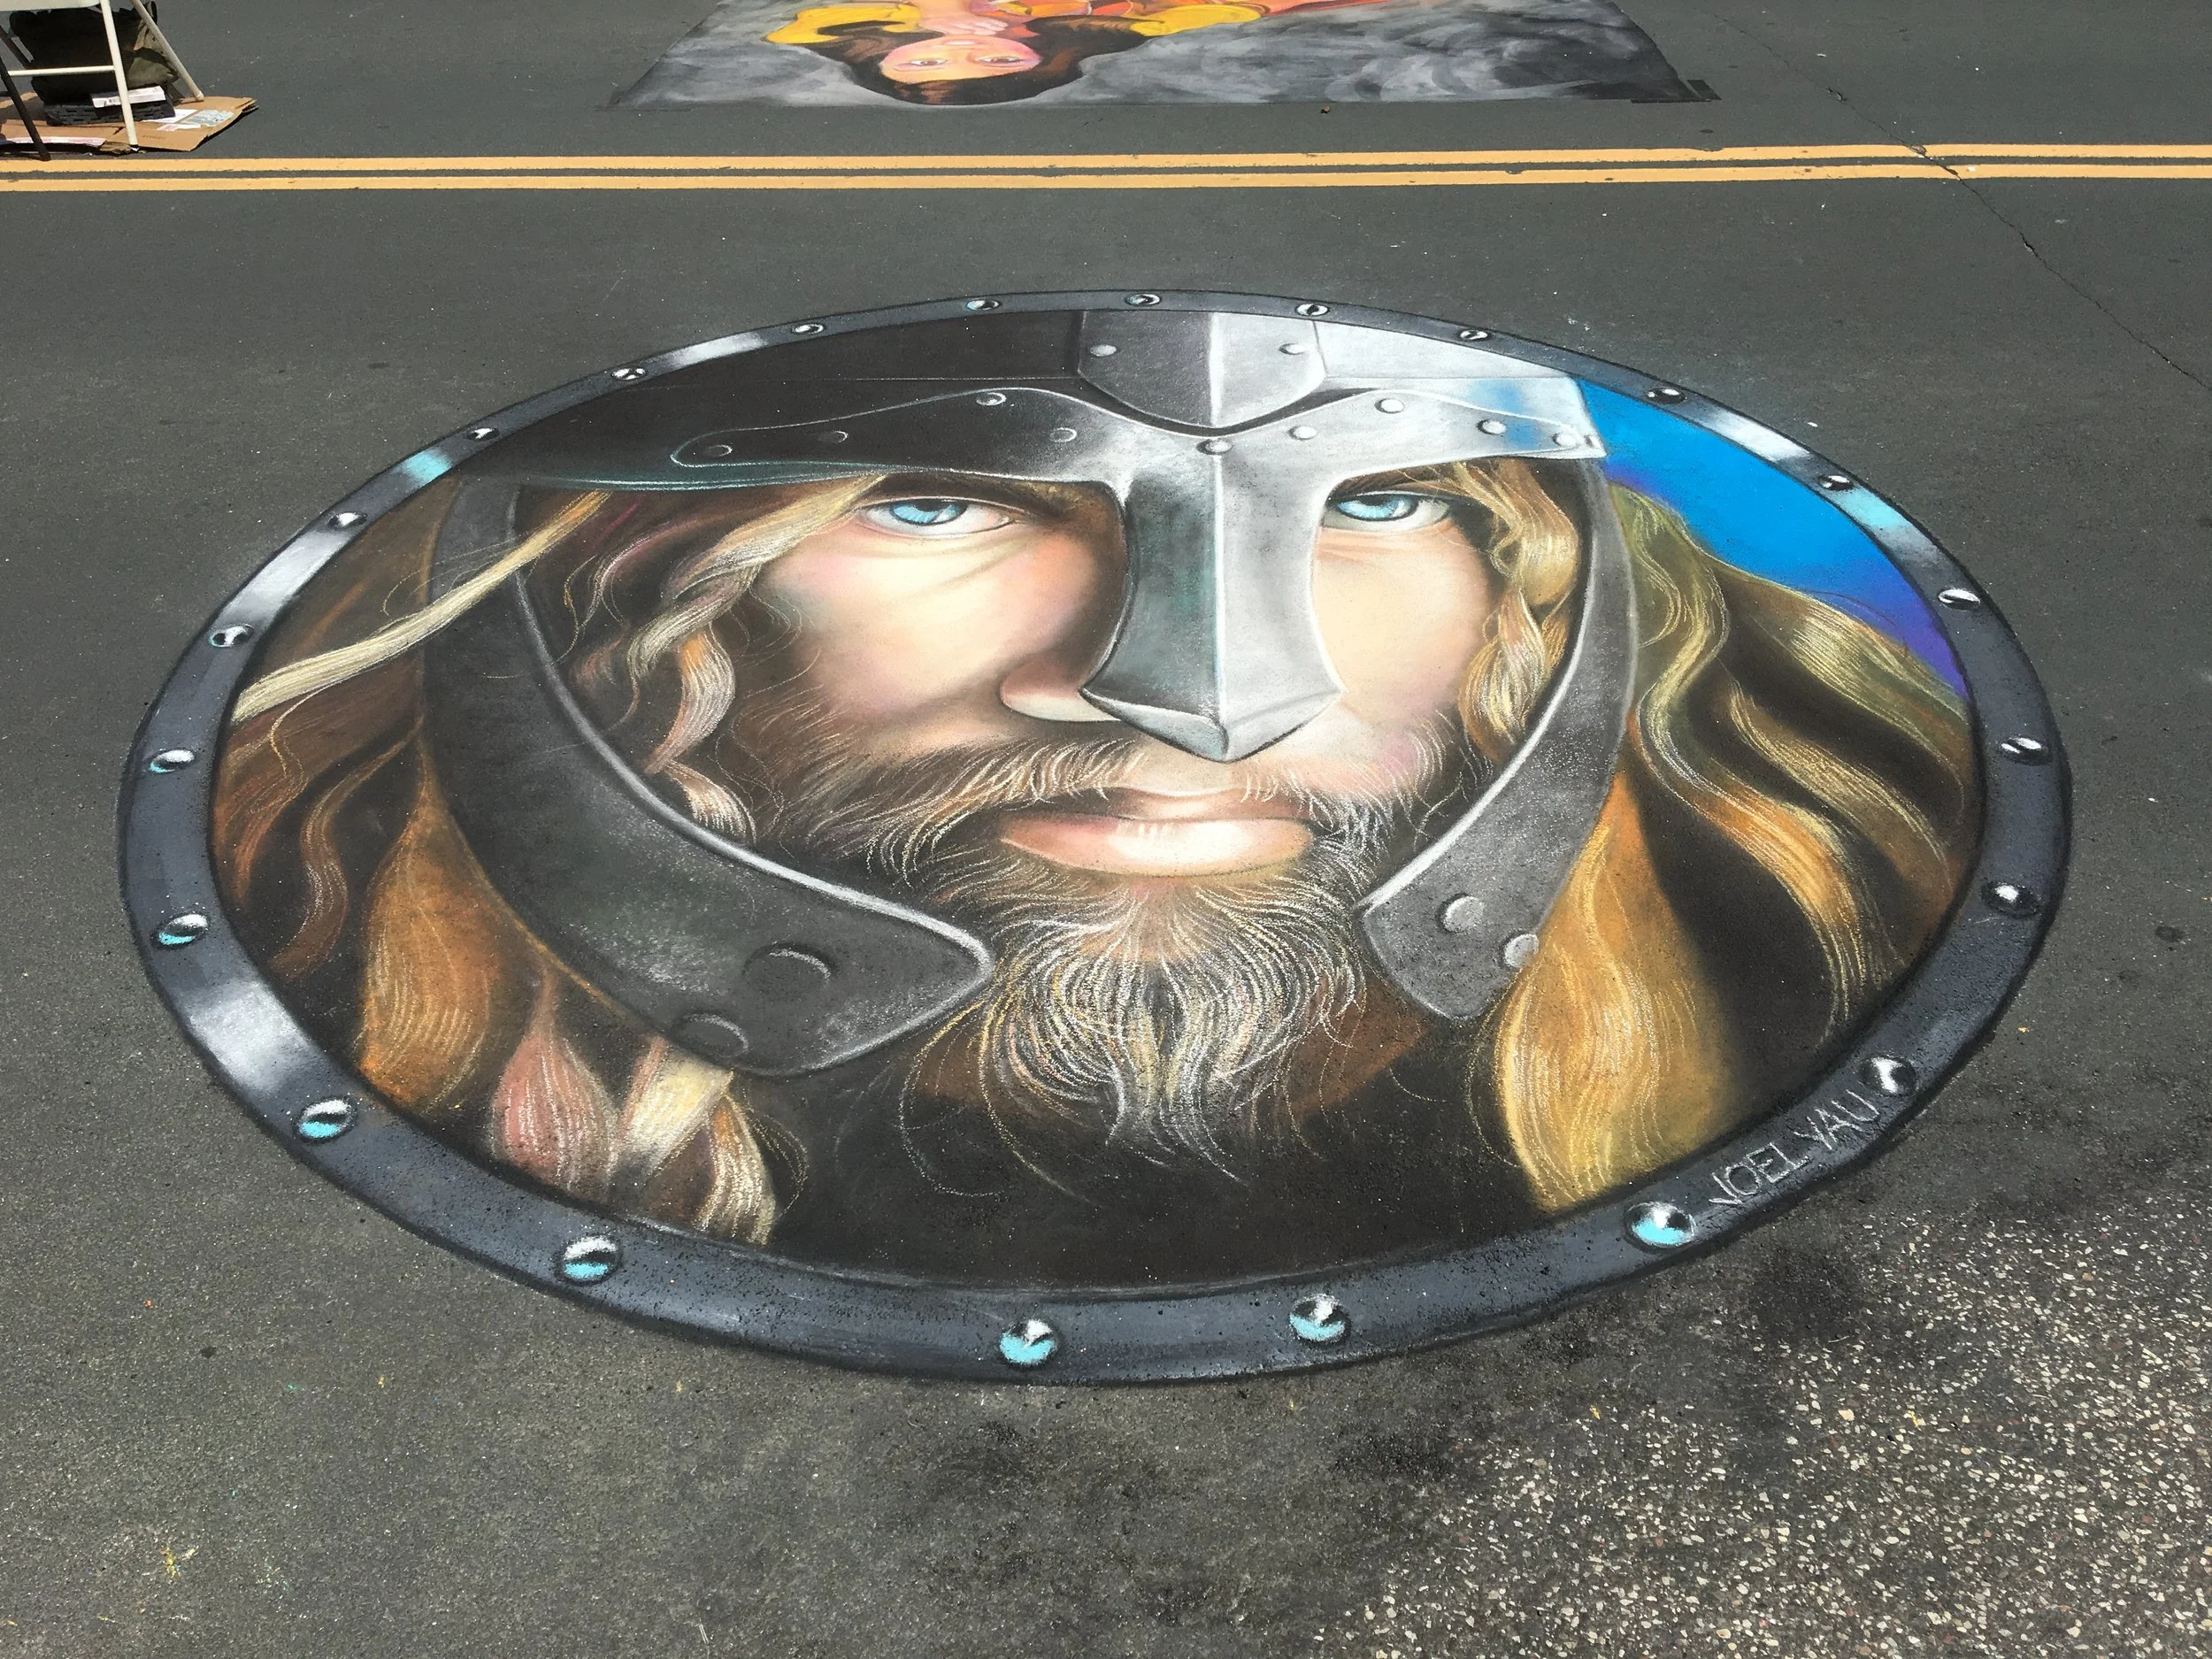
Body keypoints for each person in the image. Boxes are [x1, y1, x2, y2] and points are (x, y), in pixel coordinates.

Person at [214, 306, 1977, 1285]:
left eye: (1376, 503)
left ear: (1535, 593)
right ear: (632, 600)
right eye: (931, 503)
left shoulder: (1775, 892)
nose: (1198, 699)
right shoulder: (346, 886)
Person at [765, 0, 1376, 104]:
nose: (965, 48)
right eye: (997, 62)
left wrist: (938, 9)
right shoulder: (1130, 26)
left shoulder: (873, 21)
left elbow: (798, 29)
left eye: (925, 61)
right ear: (1042, 63)